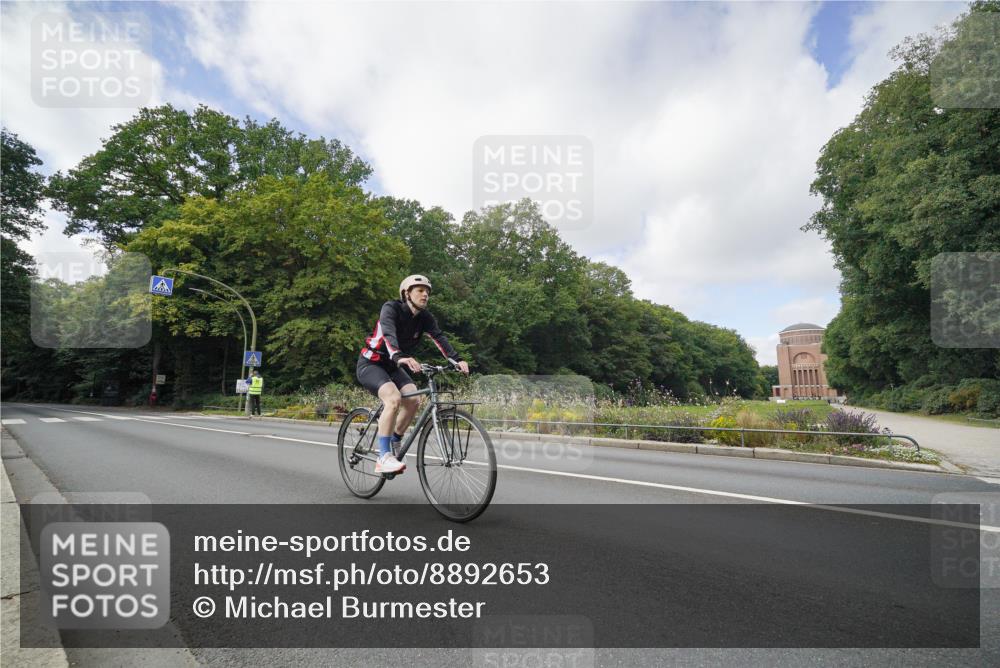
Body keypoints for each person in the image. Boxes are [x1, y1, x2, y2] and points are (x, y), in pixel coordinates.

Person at [357, 274, 470, 474]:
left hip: (394, 366)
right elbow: (388, 333)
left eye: (427, 291)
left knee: (415, 400)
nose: (425, 294)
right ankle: (383, 456)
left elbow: (439, 337)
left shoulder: (425, 318)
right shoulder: (391, 309)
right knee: (393, 399)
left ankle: (394, 441)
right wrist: (400, 356)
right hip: (371, 363)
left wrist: (456, 359)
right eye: (419, 290)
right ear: (406, 293)